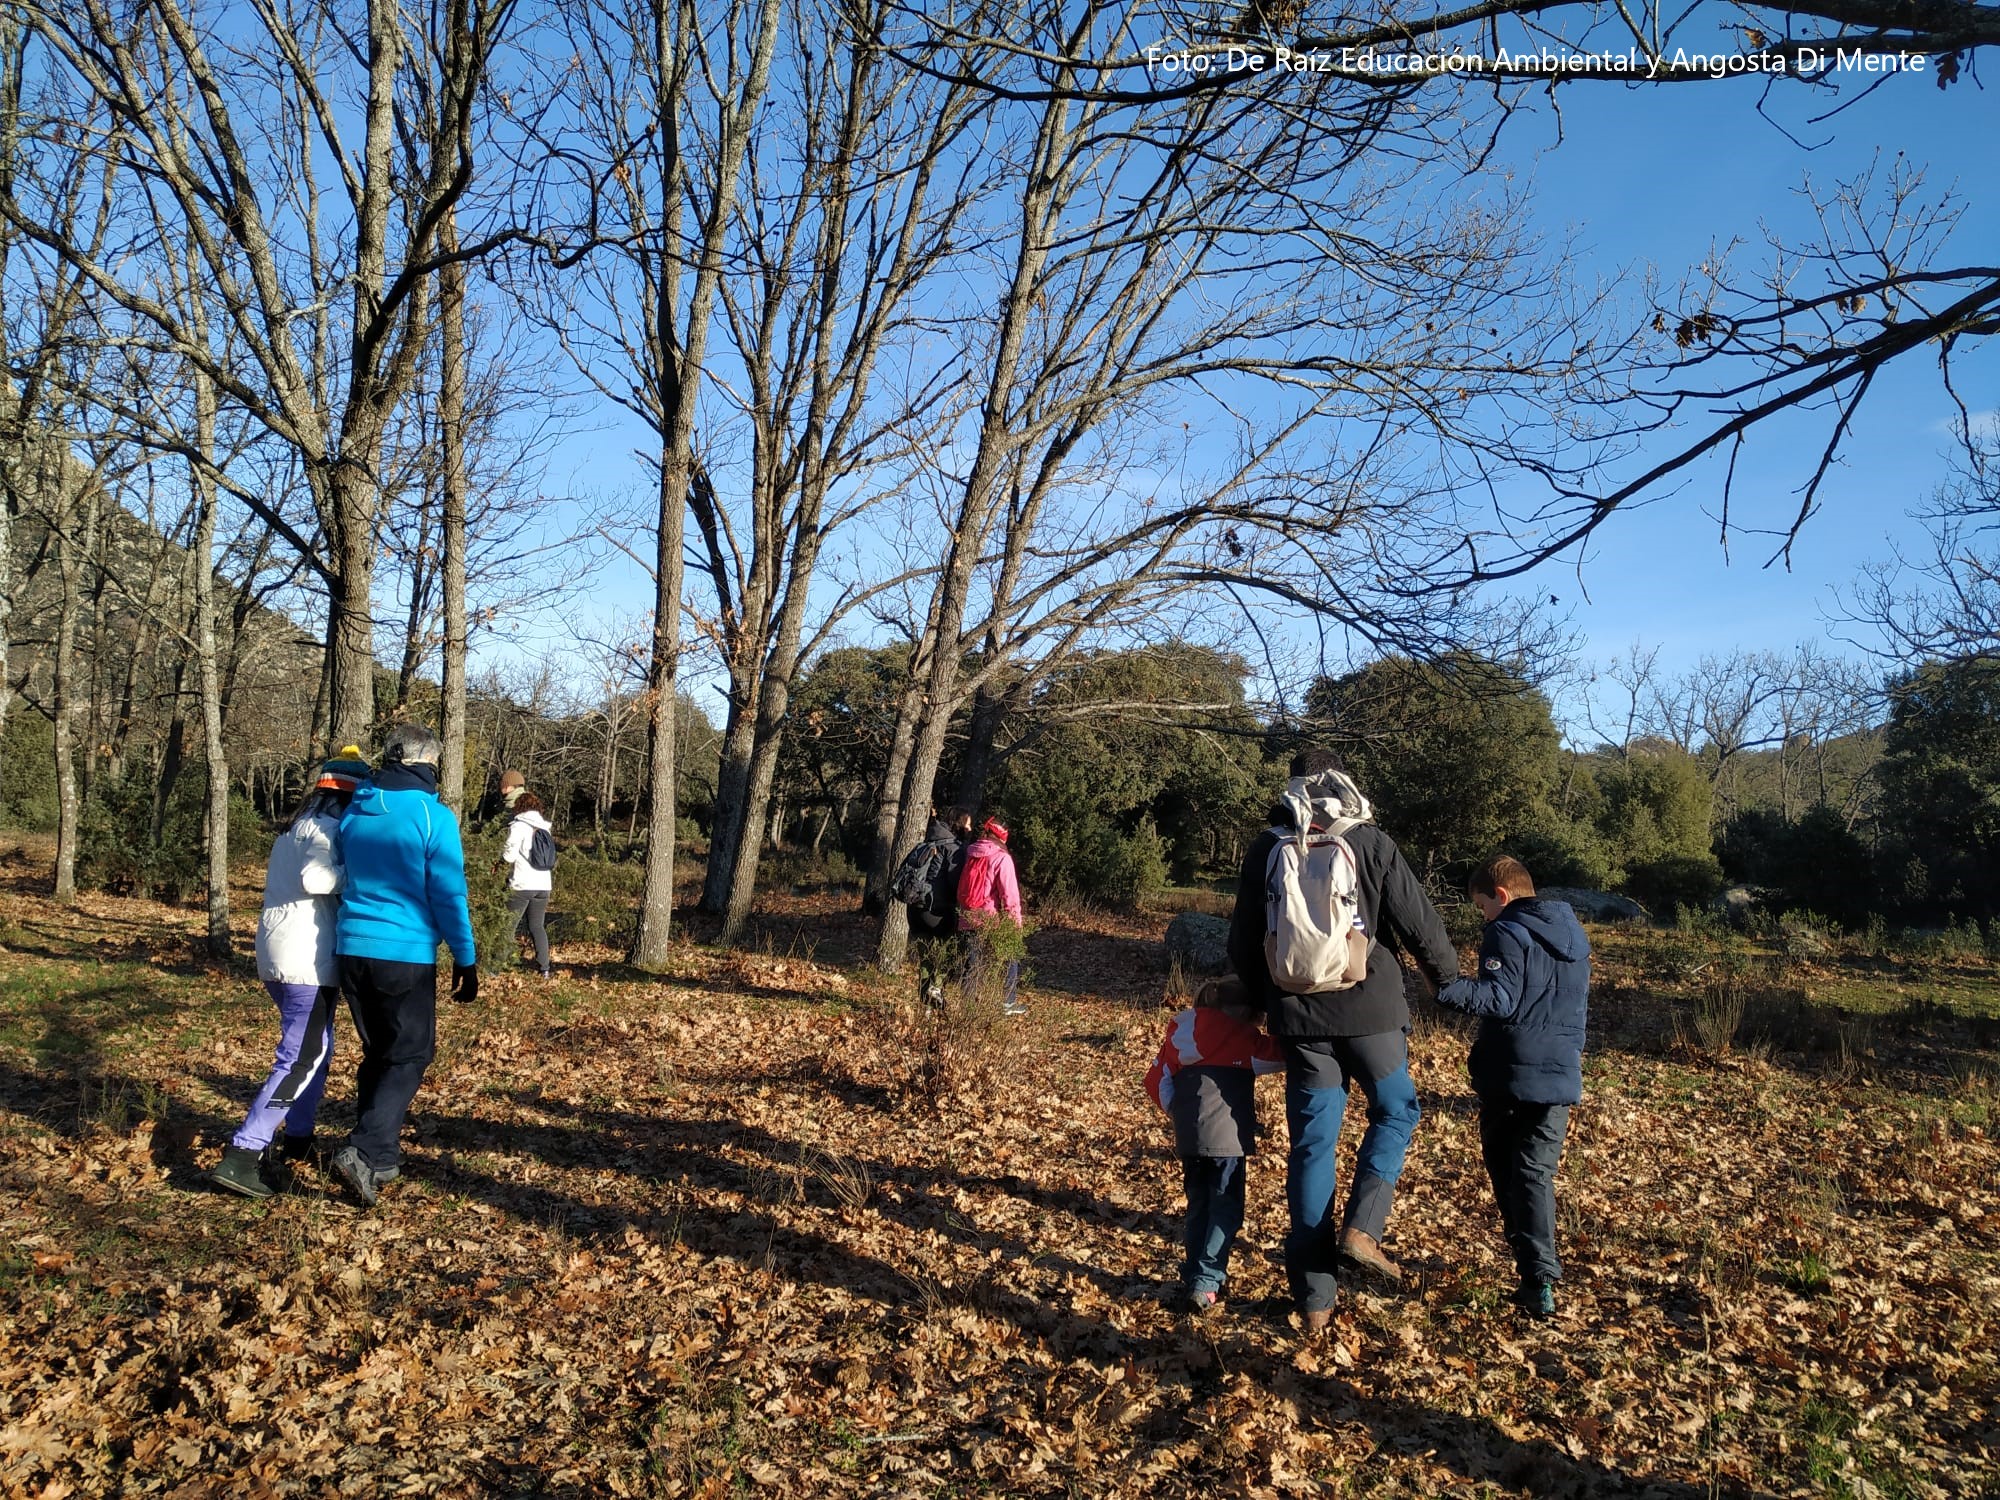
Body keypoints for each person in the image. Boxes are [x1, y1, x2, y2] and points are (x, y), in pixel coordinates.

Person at [1227, 749, 1459, 1332]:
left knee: (1312, 1149)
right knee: (1397, 1110)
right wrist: (1448, 982)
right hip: (1372, 1014)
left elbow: (1242, 943)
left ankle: (1313, 1300)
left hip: (1302, 1024)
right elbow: (1418, 921)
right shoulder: (1369, 841)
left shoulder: (1270, 846)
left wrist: (1266, 1002)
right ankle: (1363, 1227)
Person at [208, 750, 372, 1199]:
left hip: (280, 955)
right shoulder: (326, 829)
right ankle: (244, 1153)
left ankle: (298, 1140)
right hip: (306, 961)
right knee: (300, 1058)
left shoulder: (292, 829)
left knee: (316, 1050)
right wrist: (360, 874)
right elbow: (317, 880)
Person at [1435, 855, 1591, 1319]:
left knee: (1508, 1173)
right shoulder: (1575, 938)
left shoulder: (1505, 932)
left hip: (1511, 1075)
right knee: (1535, 1175)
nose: (1482, 914)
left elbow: (1499, 1000)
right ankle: (1539, 1279)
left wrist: (1445, 986)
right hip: (1560, 1073)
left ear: (1500, 897)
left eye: (1481, 905)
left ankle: (1536, 1275)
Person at [329, 723, 478, 1207]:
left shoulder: (356, 809)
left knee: (380, 1053)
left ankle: (382, 1154)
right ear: (422, 765)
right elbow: (449, 893)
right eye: (434, 766)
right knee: (411, 1055)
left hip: (351, 947)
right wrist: (465, 957)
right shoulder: (433, 816)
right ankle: (364, 1150)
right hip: (403, 953)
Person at [1145, 974, 1284, 1313]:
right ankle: (1206, 1282)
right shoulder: (1244, 1039)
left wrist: (1179, 1113)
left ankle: (1193, 1273)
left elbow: (1154, 1081)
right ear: (1247, 1013)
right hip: (1228, 1142)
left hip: (1190, 1138)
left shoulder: (1179, 1033)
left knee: (1199, 1205)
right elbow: (1283, 1056)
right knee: (1225, 1208)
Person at [957, 814, 1026, 1017]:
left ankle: (967, 1011)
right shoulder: (1002, 858)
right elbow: (1010, 896)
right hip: (991, 921)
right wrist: (1015, 926)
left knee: (972, 966)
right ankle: (1007, 1003)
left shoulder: (970, 853)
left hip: (967, 918)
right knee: (1010, 958)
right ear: (1002, 837)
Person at [902, 806, 971, 1007]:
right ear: (958, 824)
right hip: (938, 912)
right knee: (949, 953)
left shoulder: (926, 842)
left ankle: (926, 1004)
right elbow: (957, 885)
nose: (970, 828)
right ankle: (936, 991)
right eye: (968, 824)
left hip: (915, 910)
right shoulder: (954, 849)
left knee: (925, 961)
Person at [499, 790, 556, 978]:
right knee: (537, 926)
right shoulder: (544, 828)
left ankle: (499, 965)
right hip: (544, 885)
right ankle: (544, 968)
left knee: (508, 926)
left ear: (519, 807)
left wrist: (499, 863)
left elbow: (509, 855)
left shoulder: (519, 826)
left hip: (522, 884)